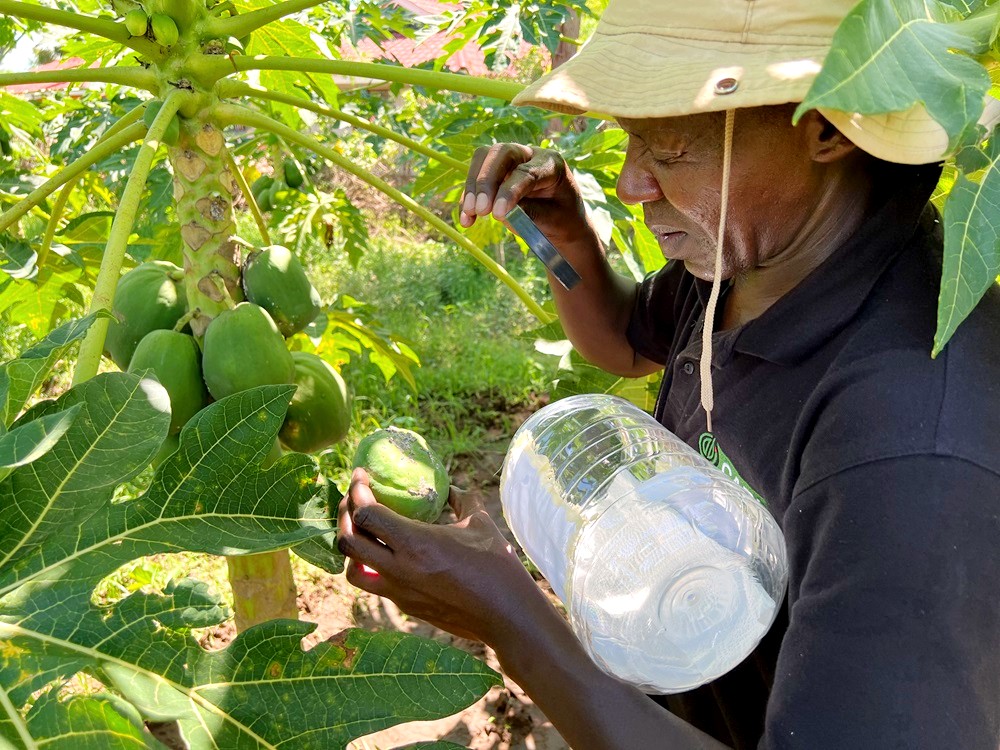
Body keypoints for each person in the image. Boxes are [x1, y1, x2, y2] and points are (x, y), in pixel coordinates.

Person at [337, 0, 1000, 747]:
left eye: (671, 148)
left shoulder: (914, 447)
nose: (629, 183)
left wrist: (513, 621)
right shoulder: (753, 266)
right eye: (631, 144)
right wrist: (565, 238)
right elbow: (624, 339)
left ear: (828, 126)